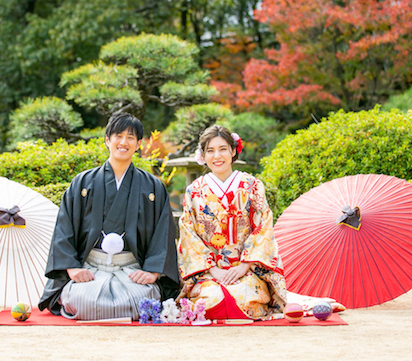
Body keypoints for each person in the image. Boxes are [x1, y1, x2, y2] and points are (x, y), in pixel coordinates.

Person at [38, 113, 180, 320]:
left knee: (142, 299)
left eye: (130, 137)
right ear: (107, 140)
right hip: (91, 268)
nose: (123, 142)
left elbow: (163, 232)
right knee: (82, 300)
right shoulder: (83, 182)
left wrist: (153, 271)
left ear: (138, 144)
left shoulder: (153, 186)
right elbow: (64, 227)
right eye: (118, 136)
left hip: (131, 268)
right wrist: (72, 268)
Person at [177, 125, 287, 320]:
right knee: (211, 300)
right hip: (208, 272)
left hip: (247, 269)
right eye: (210, 151)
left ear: (233, 151)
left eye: (223, 149)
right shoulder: (194, 191)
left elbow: (263, 228)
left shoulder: (252, 186)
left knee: (243, 297)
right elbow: (188, 235)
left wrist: (244, 266)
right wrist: (214, 270)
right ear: (203, 155)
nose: (217, 156)